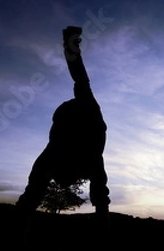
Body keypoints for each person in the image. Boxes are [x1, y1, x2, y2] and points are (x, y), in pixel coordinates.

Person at [16, 26, 110, 223]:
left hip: (83, 122)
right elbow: (100, 197)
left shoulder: (53, 158)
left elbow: (32, 194)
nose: (64, 184)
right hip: (85, 122)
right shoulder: (84, 159)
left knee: (82, 82)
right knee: (81, 82)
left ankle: (70, 44)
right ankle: (70, 44)